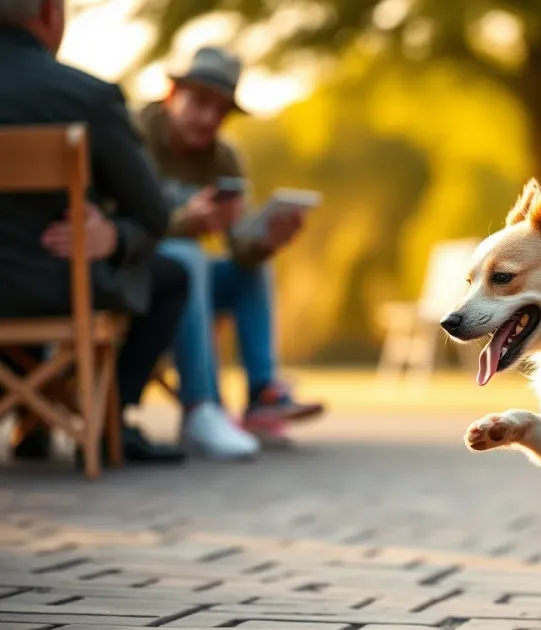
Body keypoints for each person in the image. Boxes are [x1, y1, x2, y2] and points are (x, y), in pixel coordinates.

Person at [0, 0, 188, 465]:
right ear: (50, 12)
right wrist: (116, 236)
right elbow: (153, 214)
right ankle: (109, 423)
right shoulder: (85, 96)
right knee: (172, 276)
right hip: (58, 283)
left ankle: (33, 413)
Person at [135, 46, 325, 459]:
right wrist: (185, 222)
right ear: (172, 94)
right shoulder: (135, 136)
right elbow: (116, 226)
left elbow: (240, 250)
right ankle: (202, 408)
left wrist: (267, 241)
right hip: (138, 281)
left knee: (248, 271)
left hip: (189, 287)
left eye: (220, 110)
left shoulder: (224, 157)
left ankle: (261, 395)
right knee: (188, 255)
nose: (209, 118)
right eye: (200, 102)